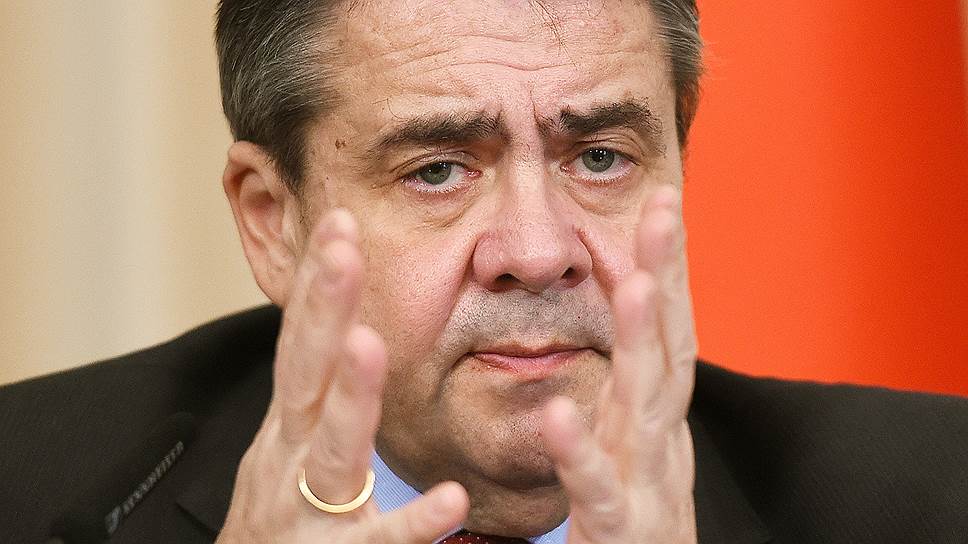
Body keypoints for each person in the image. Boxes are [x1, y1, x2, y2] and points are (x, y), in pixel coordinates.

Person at [1, 1, 966, 543]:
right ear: (274, 223)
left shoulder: (935, 498)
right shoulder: (30, 489)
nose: (539, 252)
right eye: (437, 171)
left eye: (601, 157)